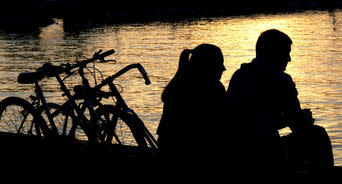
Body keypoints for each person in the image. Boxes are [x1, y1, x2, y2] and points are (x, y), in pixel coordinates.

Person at [224, 29, 324, 172]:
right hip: (265, 153)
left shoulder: (239, 76)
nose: (289, 59)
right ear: (273, 54)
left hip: (236, 151)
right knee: (317, 134)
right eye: (286, 53)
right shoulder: (282, 80)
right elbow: (297, 124)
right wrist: (304, 120)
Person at [157, 44, 226, 168]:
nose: (224, 68)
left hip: (167, 151)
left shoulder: (178, 83)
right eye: (219, 64)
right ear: (208, 66)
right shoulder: (214, 89)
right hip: (192, 155)